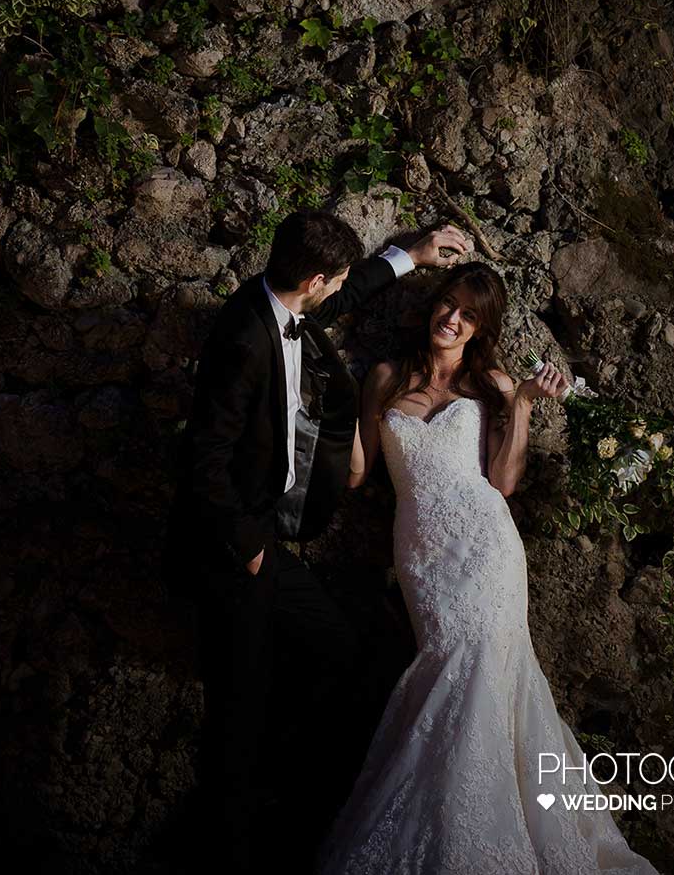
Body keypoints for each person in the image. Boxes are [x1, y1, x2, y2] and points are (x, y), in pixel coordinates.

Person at [315, 261, 663, 875]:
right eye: (448, 304)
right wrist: (325, 407)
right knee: (450, 664)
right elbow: (358, 472)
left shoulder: (491, 384)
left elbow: (501, 481)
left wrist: (522, 402)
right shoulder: (385, 377)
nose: (452, 319)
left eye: (468, 315)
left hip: (487, 546)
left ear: (481, 328)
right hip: (423, 552)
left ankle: (478, 836)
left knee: (478, 664)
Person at [164, 212, 475, 875]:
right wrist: (250, 546)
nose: (336, 290)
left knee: (333, 650)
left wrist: (411, 255)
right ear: (312, 280)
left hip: (265, 542)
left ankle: (275, 801)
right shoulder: (244, 337)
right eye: (331, 281)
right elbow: (204, 459)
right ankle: (228, 852)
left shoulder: (284, 304)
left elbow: (348, 292)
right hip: (233, 551)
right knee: (237, 713)